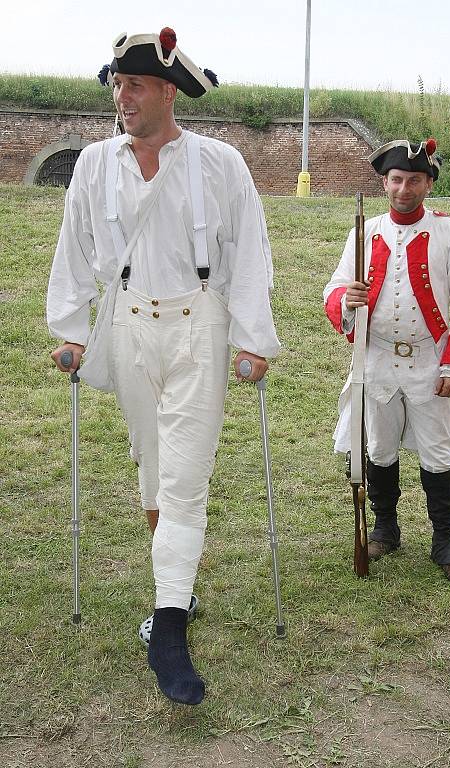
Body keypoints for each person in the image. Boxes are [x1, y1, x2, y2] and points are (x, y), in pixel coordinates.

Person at [47, 26, 280, 706]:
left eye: (136, 85)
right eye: (118, 84)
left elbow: (250, 253)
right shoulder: (94, 163)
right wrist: (70, 330)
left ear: (168, 92)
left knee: (185, 471)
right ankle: (173, 586)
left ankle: (170, 627)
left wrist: (252, 338)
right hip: (127, 327)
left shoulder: (220, 163)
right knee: (153, 466)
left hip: (198, 327)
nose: (123, 96)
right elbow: (73, 244)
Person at [324, 138, 450, 586]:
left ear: (428, 184)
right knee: (379, 447)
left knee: (437, 451)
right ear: (384, 182)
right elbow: (334, 290)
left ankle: (445, 539)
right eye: (396, 180)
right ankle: (386, 528)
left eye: (414, 180)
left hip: (430, 361)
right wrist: (347, 301)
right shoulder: (365, 230)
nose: (404, 188)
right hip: (375, 359)